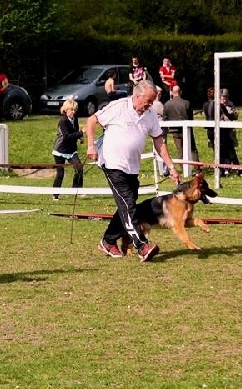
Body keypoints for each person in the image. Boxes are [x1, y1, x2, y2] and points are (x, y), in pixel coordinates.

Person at [85, 80, 179, 262]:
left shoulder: (150, 115)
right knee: (127, 204)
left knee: (128, 205)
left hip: (132, 167)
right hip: (112, 163)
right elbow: (91, 120)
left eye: (152, 102)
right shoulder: (118, 107)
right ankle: (142, 246)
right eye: (148, 101)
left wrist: (171, 166)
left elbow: (159, 142)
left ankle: (108, 241)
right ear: (137, 96)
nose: (150, 105)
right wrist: (91, 146)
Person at [51, 99, 84, 201]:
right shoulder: (63, 121)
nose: (73, 112)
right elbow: (66, 136)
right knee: (60, 174)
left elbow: (75, 131)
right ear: (65, 110)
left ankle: (76, 190)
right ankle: (55, 194)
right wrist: (80, 133)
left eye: (74, 110)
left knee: (79, 169)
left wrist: (80, 138)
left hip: (71, 150)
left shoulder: (75, 119)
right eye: (71, 110)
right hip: (60, 150)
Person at [164, 85, 200, 172]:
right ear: (180, 92)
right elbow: (190, 117)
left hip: (174, 130)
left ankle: (184, 169)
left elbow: (165, 118)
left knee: (180, 150)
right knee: (192, 149)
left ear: (172, 93)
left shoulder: (167, 104)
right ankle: (197, 169)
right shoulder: (186, 103)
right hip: (186, 130)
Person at [218, 89, 241, 175]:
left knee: (230, 149)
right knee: (222, 150)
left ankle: (235, 168)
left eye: (226, 97)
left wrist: (231, 113)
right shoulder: (216, 105)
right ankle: (224, 168)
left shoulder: (231, 105)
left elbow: (235, 116)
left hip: (229, 130)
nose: (225, 99)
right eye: (223, 97)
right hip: (220, 131)